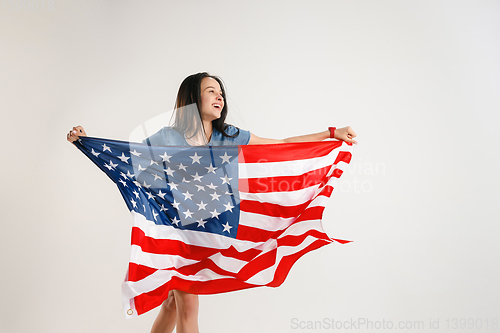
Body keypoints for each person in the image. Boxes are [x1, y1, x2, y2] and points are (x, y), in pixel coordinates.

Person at [67, 72, 357, 333]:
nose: (219, 96)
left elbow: (277, 144)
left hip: (209, 232)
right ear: (193, 98)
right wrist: (85, 141)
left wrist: (330, 133)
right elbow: (127, 159)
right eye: (210, 91)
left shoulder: (228, 135)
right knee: (189, 307)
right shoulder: (167, 137)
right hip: (177, 233)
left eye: (220, 92)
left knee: (171, 305)